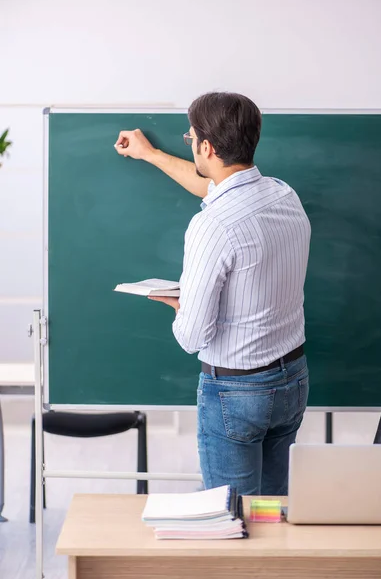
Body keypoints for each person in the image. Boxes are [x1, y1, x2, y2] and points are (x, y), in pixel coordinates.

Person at [115, 92, 311, 495]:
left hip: (237, 393)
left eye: (190, 139)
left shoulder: (212, 226)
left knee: (231, 518)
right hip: (292, 380)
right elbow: (214, 187)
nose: (189, 144)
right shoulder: (283, 195)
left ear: (206, 147)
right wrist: (150, 154)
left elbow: (192, 337)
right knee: (274, 512)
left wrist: (180, 305)